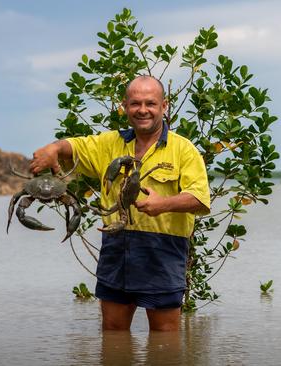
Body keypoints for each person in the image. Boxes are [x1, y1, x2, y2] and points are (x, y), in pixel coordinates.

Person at [30, 75, 211, 331]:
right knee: (113, 335)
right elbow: (75, 146)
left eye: (151, 103)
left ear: (164, 105)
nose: (143, 110)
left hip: (164, 251)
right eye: (135, 103)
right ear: (124, 106)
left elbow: (200, 199)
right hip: (116, 248)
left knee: (165, 339)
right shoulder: (109, 143)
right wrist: (53, 148)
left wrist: (164, 204)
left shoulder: (183, 149)